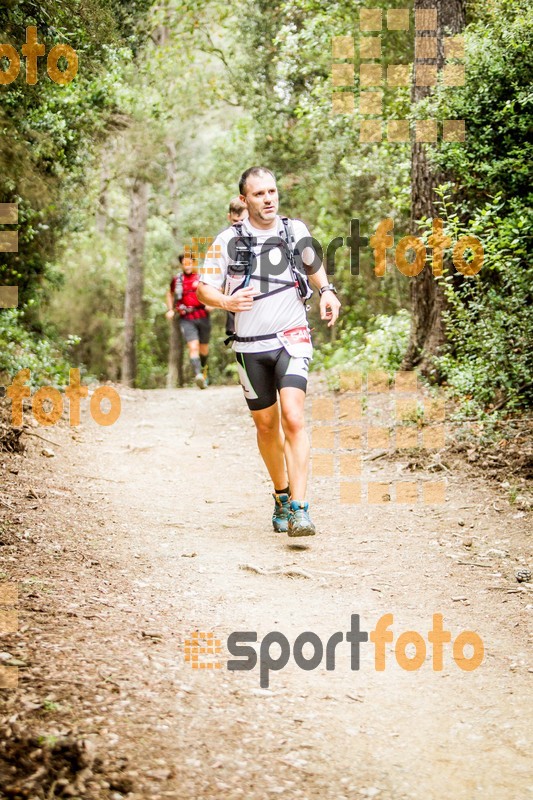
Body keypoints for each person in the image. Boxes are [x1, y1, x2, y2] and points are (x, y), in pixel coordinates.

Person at [197, 167, 341, 536]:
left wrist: (326, 291)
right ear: (244, 200)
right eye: (259, 194)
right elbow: (203, 289)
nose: (268, 199)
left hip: (292, 338)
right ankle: (281, 494)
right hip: (249, 347)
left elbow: (313, 267)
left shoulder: (295, 231)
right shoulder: (228, 241)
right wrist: (227, 301)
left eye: (272, 191)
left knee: (293, 417)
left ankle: (301, 508)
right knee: (265, 426)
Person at [166, 254, 211, 389]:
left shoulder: (201, 278)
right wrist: (170, 309)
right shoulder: (177, 280)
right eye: (185, 263)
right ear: (182, 265)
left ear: (193, 263)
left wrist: (212, 305)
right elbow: (169, 293)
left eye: (189, 262)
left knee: (204, 349)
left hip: (203, 316)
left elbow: (213, 290)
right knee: (193, 346)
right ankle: (198, 375)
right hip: (186, 318)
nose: (187, 265)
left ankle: (204, 373)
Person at [225, 197, 248, 338]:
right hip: (233, 294)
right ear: (229, 218)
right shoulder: (225, 238)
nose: (239, 226)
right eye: (235, 222)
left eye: (243, 221)